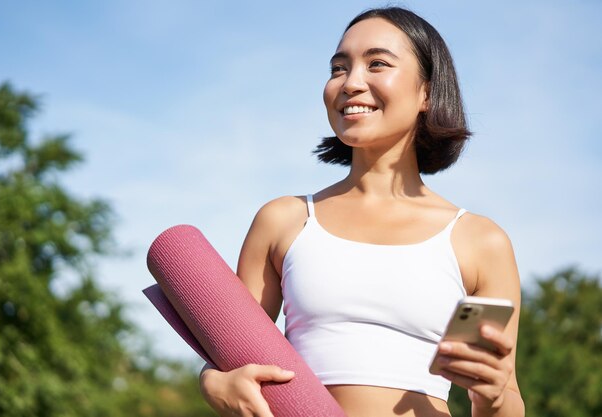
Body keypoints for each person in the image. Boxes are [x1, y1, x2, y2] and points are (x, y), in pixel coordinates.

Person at [198, 6, 525, 417]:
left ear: (427, 91)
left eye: (377, 64)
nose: (351, 82)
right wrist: (213, 381)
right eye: (338, 68)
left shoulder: (480, 240)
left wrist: (492, 397)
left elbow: (505, 394)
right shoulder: (283, 220)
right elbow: (229, 354)